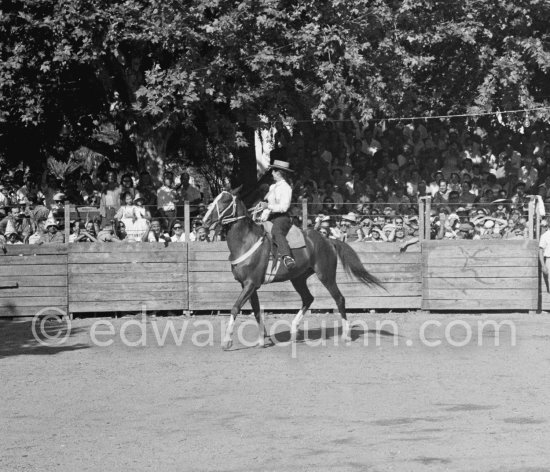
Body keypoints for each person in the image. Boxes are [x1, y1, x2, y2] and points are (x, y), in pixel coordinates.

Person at [258, 160, 296, 269]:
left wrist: (268, 207)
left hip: (282, 217)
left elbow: (284, 207)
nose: (272, 173)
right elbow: (269, 204)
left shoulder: (286, 188)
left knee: (276, 231)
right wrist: (262, 217)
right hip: (271, 216)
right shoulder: (272, 187)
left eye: (273, 171)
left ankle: (287, 257)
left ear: (278, 173)